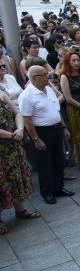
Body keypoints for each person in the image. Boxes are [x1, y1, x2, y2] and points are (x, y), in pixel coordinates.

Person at [18, 65, 74, 204]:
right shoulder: (26, 95)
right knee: (45, 164)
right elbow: (27, 120)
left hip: (55, 129)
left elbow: (56, 111)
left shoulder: (48, 90)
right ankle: (47, 192)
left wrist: (64, 128)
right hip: (41, 132)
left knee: (58, 160)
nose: (47, 77)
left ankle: (58, 188)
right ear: (34, 78)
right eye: (44, 74)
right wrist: (36, 139)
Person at [0, 88, 40, 233]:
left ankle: (20, 209)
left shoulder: (1, 92)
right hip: (5, 143)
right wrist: (11, 135)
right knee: (1, 181)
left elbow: (17, 112)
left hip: (12, 144)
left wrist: (20, 130)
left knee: (15, 176)